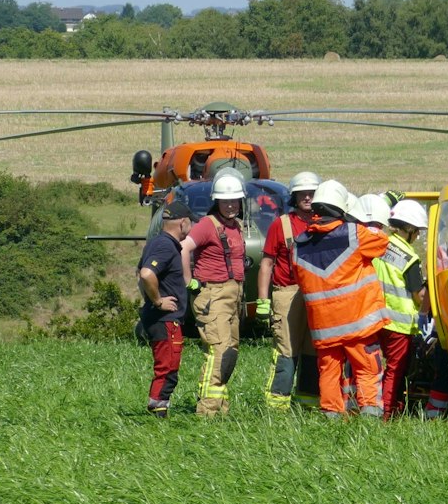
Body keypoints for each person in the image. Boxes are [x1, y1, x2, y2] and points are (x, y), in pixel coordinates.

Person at [292, 180, 391, 418]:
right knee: (367, 369)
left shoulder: (299, 245)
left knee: (328, 372)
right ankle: (370, 418)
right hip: (358, 323)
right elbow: (382, 242)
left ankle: (332, 417)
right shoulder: (355, 234)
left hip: (324, 328)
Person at [180, 172, 249, 416]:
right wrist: (189, 281)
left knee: (230, 352)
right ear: (216, 201)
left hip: (233, 295)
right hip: (213, 295)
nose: (231, 205)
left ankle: (221, 409)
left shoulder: (235, 225)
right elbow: (184, 248)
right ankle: (207, 411)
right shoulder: (207, 225)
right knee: (218, 351)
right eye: (225, 201)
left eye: (234, 201)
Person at [257, 170, 319, 410]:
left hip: (315, 294)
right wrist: (263, 300)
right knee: (287, 350)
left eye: (311, 193)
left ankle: (308, 403)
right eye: (302, 193)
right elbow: (266, 263)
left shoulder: (322, 223)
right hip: (287, 293)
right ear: (294, 196)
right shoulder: (280, 225)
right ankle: (276, 406)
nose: (307, 197)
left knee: (313, 350)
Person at [136, 192, 195, 417]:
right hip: (165, 320)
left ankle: (158, 409)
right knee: (168, 368)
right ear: (182, 222)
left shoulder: (159, 242)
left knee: (167, 366)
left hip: (162, 319)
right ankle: (157, 412)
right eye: (190, 221)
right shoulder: (165, 246)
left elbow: (143, 274)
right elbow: (147, 273)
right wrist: (159, 301)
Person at [374, 198, 431, 418]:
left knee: (375, 369)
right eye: (416, 232)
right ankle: (387, 414)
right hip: (399, 325)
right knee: (395, 372)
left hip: (376, 318)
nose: (417, 236)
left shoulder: (380, 245)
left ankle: (374, 406)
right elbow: (419, 295)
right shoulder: (409, 257)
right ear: (408, 229)